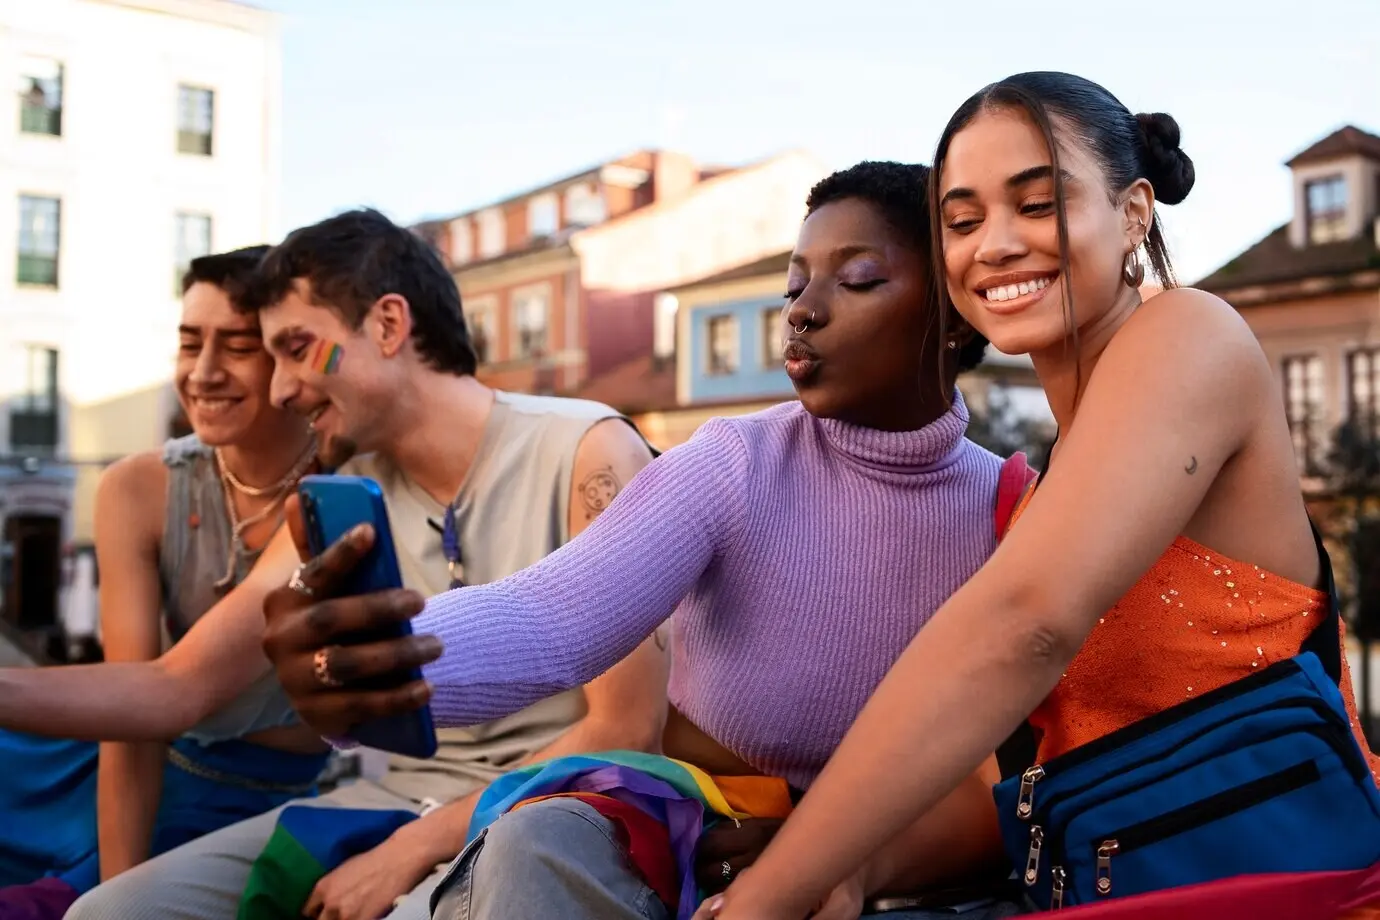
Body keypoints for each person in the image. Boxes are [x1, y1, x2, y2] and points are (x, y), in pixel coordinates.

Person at [684, 72, 1380, 920]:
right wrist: (853, 871)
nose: (996, 245)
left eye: (1038, 204)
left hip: (1297, 893)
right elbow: (1009, 772)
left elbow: (1023, 626)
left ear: (1133, 213)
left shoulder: (1192, 333)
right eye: (962, 221)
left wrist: (769, 897)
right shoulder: (1038, 500)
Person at [259, 162, 1029, 920]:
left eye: (857, 280)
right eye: (794, 286)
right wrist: (381, 657)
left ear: (955, 314)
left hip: (908, 872)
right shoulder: (732, 462)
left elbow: (1005, 779)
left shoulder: (1019, 515)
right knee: (536, 845)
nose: (802, 311)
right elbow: (556, 615)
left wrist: (836, 862)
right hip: (697, 839)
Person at [0, 208, 669, 920]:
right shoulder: (343, 493)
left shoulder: (587, 451)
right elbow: (180, 685)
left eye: (297, 349)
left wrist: (411, 847)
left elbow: (625, 731)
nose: (281, 389)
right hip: (393, 797)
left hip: (555, 805)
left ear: (388, 325)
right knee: (108, 912)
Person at [0, 246, 328, 909]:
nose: (202, 373)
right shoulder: (136, 487)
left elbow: (174, 689)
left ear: (290, 358)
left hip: (268, 802)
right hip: (116, 771)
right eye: (188, 343)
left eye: (238, 346)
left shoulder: (343, 491)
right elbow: (132, 719)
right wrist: (120, 890)